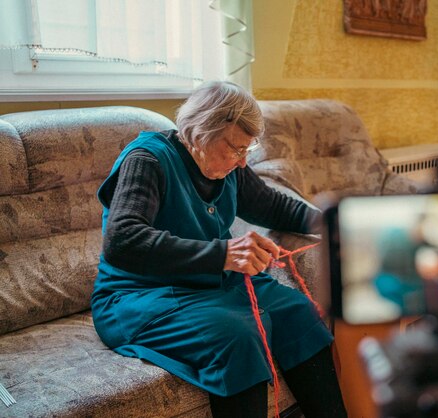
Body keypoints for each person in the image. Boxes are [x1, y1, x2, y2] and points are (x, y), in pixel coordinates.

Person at [90, 81, 347, 418]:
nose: (242, 162)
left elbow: (273, 206)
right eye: (235, 148)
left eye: (247, 150)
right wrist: (223, 254)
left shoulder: (228, 167)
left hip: (213, 285)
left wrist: (334, 225)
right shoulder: (147, 160)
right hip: (142, 295)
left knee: (299, 313)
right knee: (238, 336)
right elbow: (123, 240)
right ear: (199, 131)